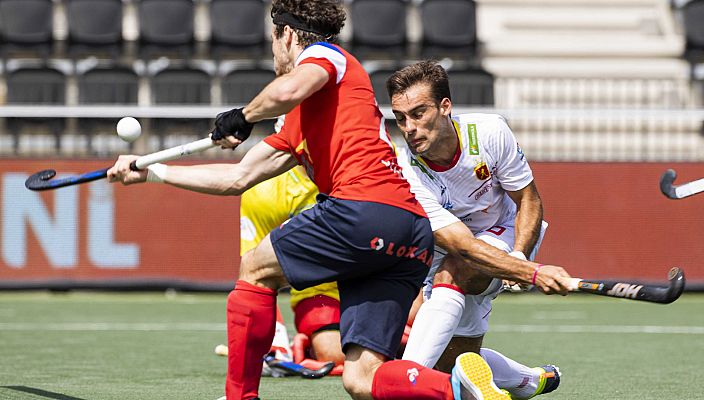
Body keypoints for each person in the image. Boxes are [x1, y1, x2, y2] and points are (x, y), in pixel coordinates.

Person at [107, 1, 522, 399]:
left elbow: (291, 86)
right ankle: (458, 388)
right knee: (362, 379)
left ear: (286, 35)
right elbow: (238, 177)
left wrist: (244, 116)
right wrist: (153, 173)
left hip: (363, 210)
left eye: (273, 41)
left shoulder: (330, 57)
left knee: (254, 268)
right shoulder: (299, 119)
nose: (273, 53)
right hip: (408, 232)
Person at [388, 60, 569, 399]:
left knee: (452, 273)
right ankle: (530, 380)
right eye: (400, 118)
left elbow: (528, 199)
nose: (408, 127)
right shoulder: (405, 168)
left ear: (445, 107)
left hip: (505, 234)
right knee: (454, 360)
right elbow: (461, 244)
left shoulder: (489, 132)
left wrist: (520, 256)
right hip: (455, 245)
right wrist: (529, 272)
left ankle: (405, 388)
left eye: (418, 113)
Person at [238, 163, 344, 374]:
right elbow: (255, 272)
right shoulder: (265, 191)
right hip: (321, 290)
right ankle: (306, 347)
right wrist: (274, 341)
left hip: (377, 276)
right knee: (335, 354)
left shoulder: (376, 161)